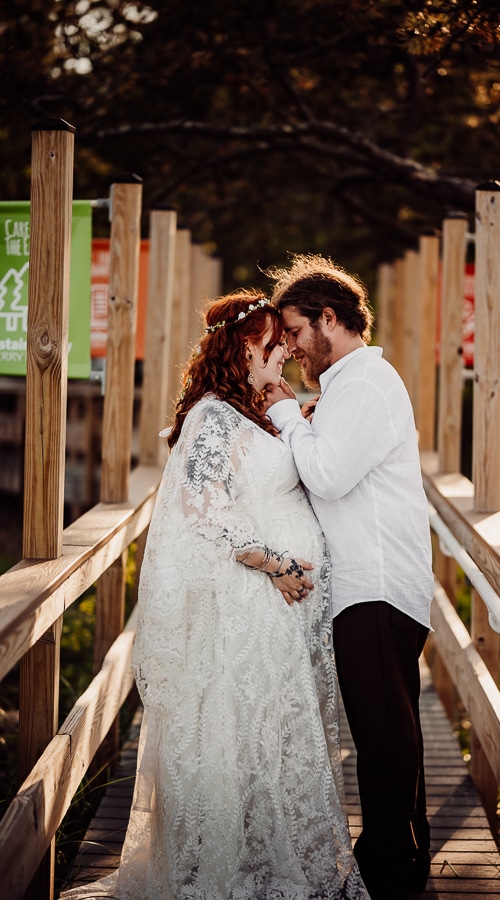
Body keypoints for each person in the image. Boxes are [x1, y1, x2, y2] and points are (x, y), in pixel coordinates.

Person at [63, 289, 369, 900]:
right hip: (245, 604)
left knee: (265, 747)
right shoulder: (210, 417)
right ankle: (229, 872)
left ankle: (261, 862)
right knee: (239, 743)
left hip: (269, 613)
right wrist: (275, 560)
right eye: (271, 346)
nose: (281, 354)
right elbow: (201, 509)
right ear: (241, 349)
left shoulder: (249, 411)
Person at [263, 256, 434, 900]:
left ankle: (387, 867)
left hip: (377, 587)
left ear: (328, 319)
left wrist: (285, 412)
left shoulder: (365, 383)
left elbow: (328, 475)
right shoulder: (347, 387)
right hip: (367, 588)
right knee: (387, 728)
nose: (291, 347)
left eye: (295, 331)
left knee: (383, 734)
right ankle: (402, 859)